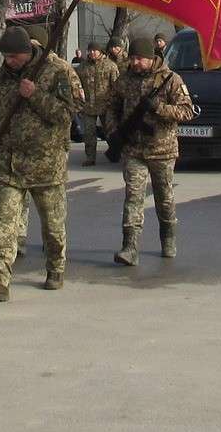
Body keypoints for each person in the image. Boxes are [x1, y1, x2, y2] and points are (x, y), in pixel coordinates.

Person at [0, 24, 77, 301]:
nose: (9, 62)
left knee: (53, 227)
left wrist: (36, 96)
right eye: (5, 56)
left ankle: (55, 268)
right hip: (9, 165)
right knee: (4, 223)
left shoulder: (55, 71)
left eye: (14, 57)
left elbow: (66, 116)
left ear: (28, 52)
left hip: (46, 165)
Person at [105, 32, 196, 265]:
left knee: (164, 199)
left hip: (162, 150)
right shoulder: (124, 80)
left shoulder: (170, 79)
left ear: (150, 58)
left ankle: (168, 239)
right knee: (132, 197)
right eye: (132, 58)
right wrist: (113, 131)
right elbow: (111, 107)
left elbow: (187, 111)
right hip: (133, 149)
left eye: (139, 59)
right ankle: (129, 247)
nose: (135, 63)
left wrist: (159, 108)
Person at [76, 40, 118, 168]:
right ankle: (90, 157)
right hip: (89, 106)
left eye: (95, 50)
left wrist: (113, 102)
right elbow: (76, 83)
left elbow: (117, 86)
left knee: (110, 132)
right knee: (89, 132)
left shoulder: (110, 66)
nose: (93, 53)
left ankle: (115, 153)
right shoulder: (82, 67)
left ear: (100, 51)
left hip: (106, 105)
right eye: (90, 50)